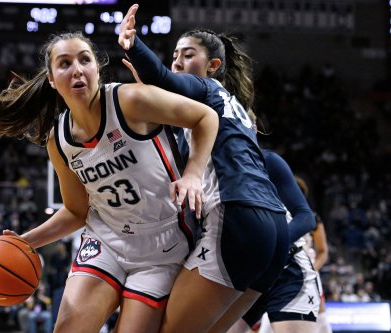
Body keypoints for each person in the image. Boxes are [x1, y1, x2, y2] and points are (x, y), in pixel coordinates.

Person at [0, 31, 218, 333]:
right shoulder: (59, 141)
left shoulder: (130, 100)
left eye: (84, 60)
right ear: (51, 79)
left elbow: (205, 117)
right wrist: (26, 241)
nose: (77, 69)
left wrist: (192, 174)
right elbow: (76, 211)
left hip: (162, 247)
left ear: (97, 69)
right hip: (106, 239)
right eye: (65, 63)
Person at [118, 4, 290, 332]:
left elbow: (161, 77)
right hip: (274, 230)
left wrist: (132, 43)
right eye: (175, 56)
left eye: (188, 55)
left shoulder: (209, 90)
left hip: (237, 216)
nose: (179, 62)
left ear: (212, 66)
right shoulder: (232, 110)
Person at [226, 111, 319, 333]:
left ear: (254, 128)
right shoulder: (213, 165)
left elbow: (306, 218)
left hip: (287, 270)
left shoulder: (268, 161)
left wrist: (269, 245)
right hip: (248, 274)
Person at [297, 176, 333, 333]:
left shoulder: (311, 217)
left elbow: (323, 252)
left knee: (319, 317)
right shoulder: (275, 215)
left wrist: (310, 271)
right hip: (281, 274)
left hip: (307, 274)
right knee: (269, 319)